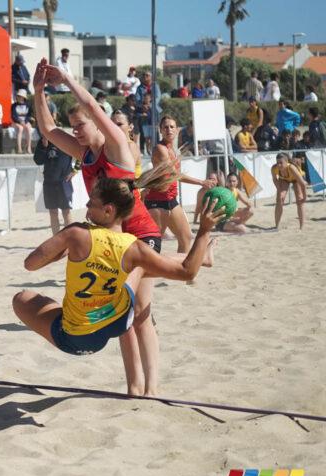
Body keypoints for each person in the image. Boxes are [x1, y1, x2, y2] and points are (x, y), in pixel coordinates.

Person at [32, 57, 164, 396]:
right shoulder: (83, 153)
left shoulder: (117, 147)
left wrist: (67, 79)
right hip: (112, 242)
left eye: (81, 125)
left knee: (139, 312)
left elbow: (90, 103)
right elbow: (47, 130)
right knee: (121, 316)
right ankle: (134, 386)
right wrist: (38, 91)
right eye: (74, 125)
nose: (76, 130)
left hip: (142, 236)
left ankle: (152, 387)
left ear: (97, 123)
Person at [12, 178, 222, 365]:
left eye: (92, 202)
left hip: (79, 338)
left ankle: (202, 257)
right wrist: (204, 230)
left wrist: (64, 247)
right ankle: (202, 257)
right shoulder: (135, 247)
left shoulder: (76, 233)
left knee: (22, 298)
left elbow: (30, 264)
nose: (86, 205)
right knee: (139, 267)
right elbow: (186, 273)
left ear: (109, 210)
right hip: (118, 321)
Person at [145, 115, 210, 254]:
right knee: (152, 249)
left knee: (186, 239)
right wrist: (201, 182)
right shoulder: (160, 149)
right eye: (165, 127)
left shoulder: (173, 149)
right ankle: (143, 274)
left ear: (177, 130)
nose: (169, 129)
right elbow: (174, 175)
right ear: (160, 130)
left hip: (171, 200)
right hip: (157, 202)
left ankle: (179, 272)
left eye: (172, 127)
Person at [34, 135, 74, 234]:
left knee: (66, 212)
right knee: (53, 212)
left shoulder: (65, 138)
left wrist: (75, 170)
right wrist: (43, 146)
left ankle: (69, 241)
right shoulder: (43, 141)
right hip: (49, 182)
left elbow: (82, 154)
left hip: (63, 182)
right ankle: (56, 240)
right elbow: (38, 161)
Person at [271, 153, 307, 230]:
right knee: (279, 199)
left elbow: (303, 184)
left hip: (296, 179)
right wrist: (279, 189)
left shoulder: (291, 168)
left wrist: (305, 197)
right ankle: (276, 226)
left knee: (300, 200)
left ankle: (301, 227)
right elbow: (274, 179)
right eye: (277, 162)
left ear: (286, 162)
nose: (279, 165)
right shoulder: (274, 168)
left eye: (281, 163)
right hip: (284, 179)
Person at [11, 89, 32, 154]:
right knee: (20, 128)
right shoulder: (14, 105)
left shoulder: (28, 104)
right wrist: (20, 122)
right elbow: (14, 116)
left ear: (23, 97)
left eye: (20, 96)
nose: (19, 97)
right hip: (16, 122)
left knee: (28, 128)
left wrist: (25, 122)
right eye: (18, 96)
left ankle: (28, 147)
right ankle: (19, 148)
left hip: (25, 121)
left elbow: (29, 115)